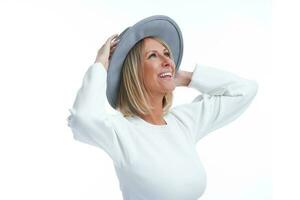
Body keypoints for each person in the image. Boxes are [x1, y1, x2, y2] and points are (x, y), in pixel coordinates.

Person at [67, 15, 258, 200]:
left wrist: (184, 77)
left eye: (167, 54)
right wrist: (100, 64)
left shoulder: (184, 121)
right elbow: (82, 119)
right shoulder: (121, 132)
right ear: (134, 73)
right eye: (153, 56)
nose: (167, 60)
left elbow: (245, 90)